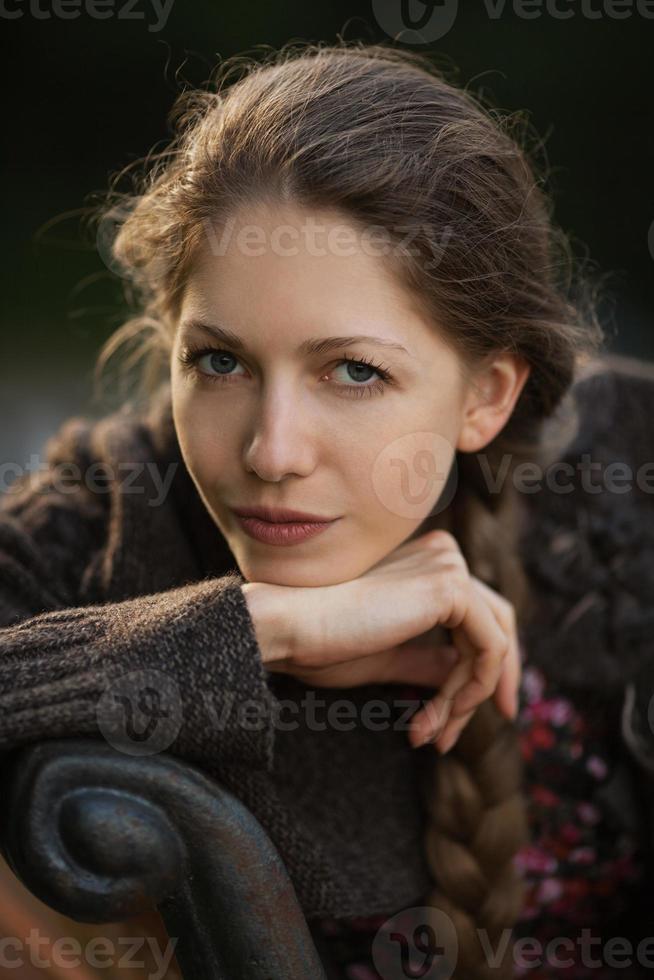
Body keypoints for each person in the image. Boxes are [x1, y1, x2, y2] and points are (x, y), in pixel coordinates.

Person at [1, 39, 653, 980]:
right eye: (219, 361)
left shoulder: (620, 476)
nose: (272, 452)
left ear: (488, 395)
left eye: (354, 371)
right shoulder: (108, 518)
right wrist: (258, 628)